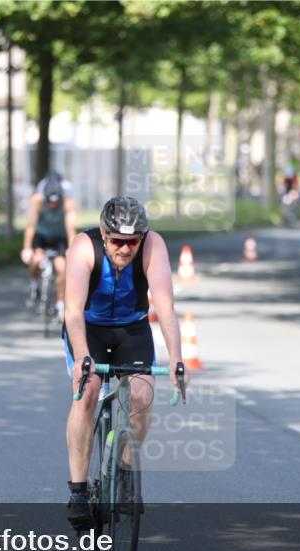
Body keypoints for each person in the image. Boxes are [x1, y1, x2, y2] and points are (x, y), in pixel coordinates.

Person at [62, 196, 187, 529]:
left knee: (142, 395)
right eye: (117, 241)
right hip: (88, 328)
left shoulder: (152, 245)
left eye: (132, 241)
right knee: (86, 392)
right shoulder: (83, 247)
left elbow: (166, 306)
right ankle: (77, 490)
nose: (125, 248)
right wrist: (82, 355)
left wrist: (176, 358)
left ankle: (125, 474)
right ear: (104, 234)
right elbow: (72, 311)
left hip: (132, 328)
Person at [22, 172, 77, 319]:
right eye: (49, 202)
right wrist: (27, 248)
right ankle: (35, 286)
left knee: (62, 268)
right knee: (35, 260)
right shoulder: (37, 201)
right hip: (41, 236)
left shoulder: (67, 202)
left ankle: (60, 301)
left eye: (55, 202)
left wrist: (72, 250)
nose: (52, 205)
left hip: (59, 236)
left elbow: (71, 229)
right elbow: (31, 226)